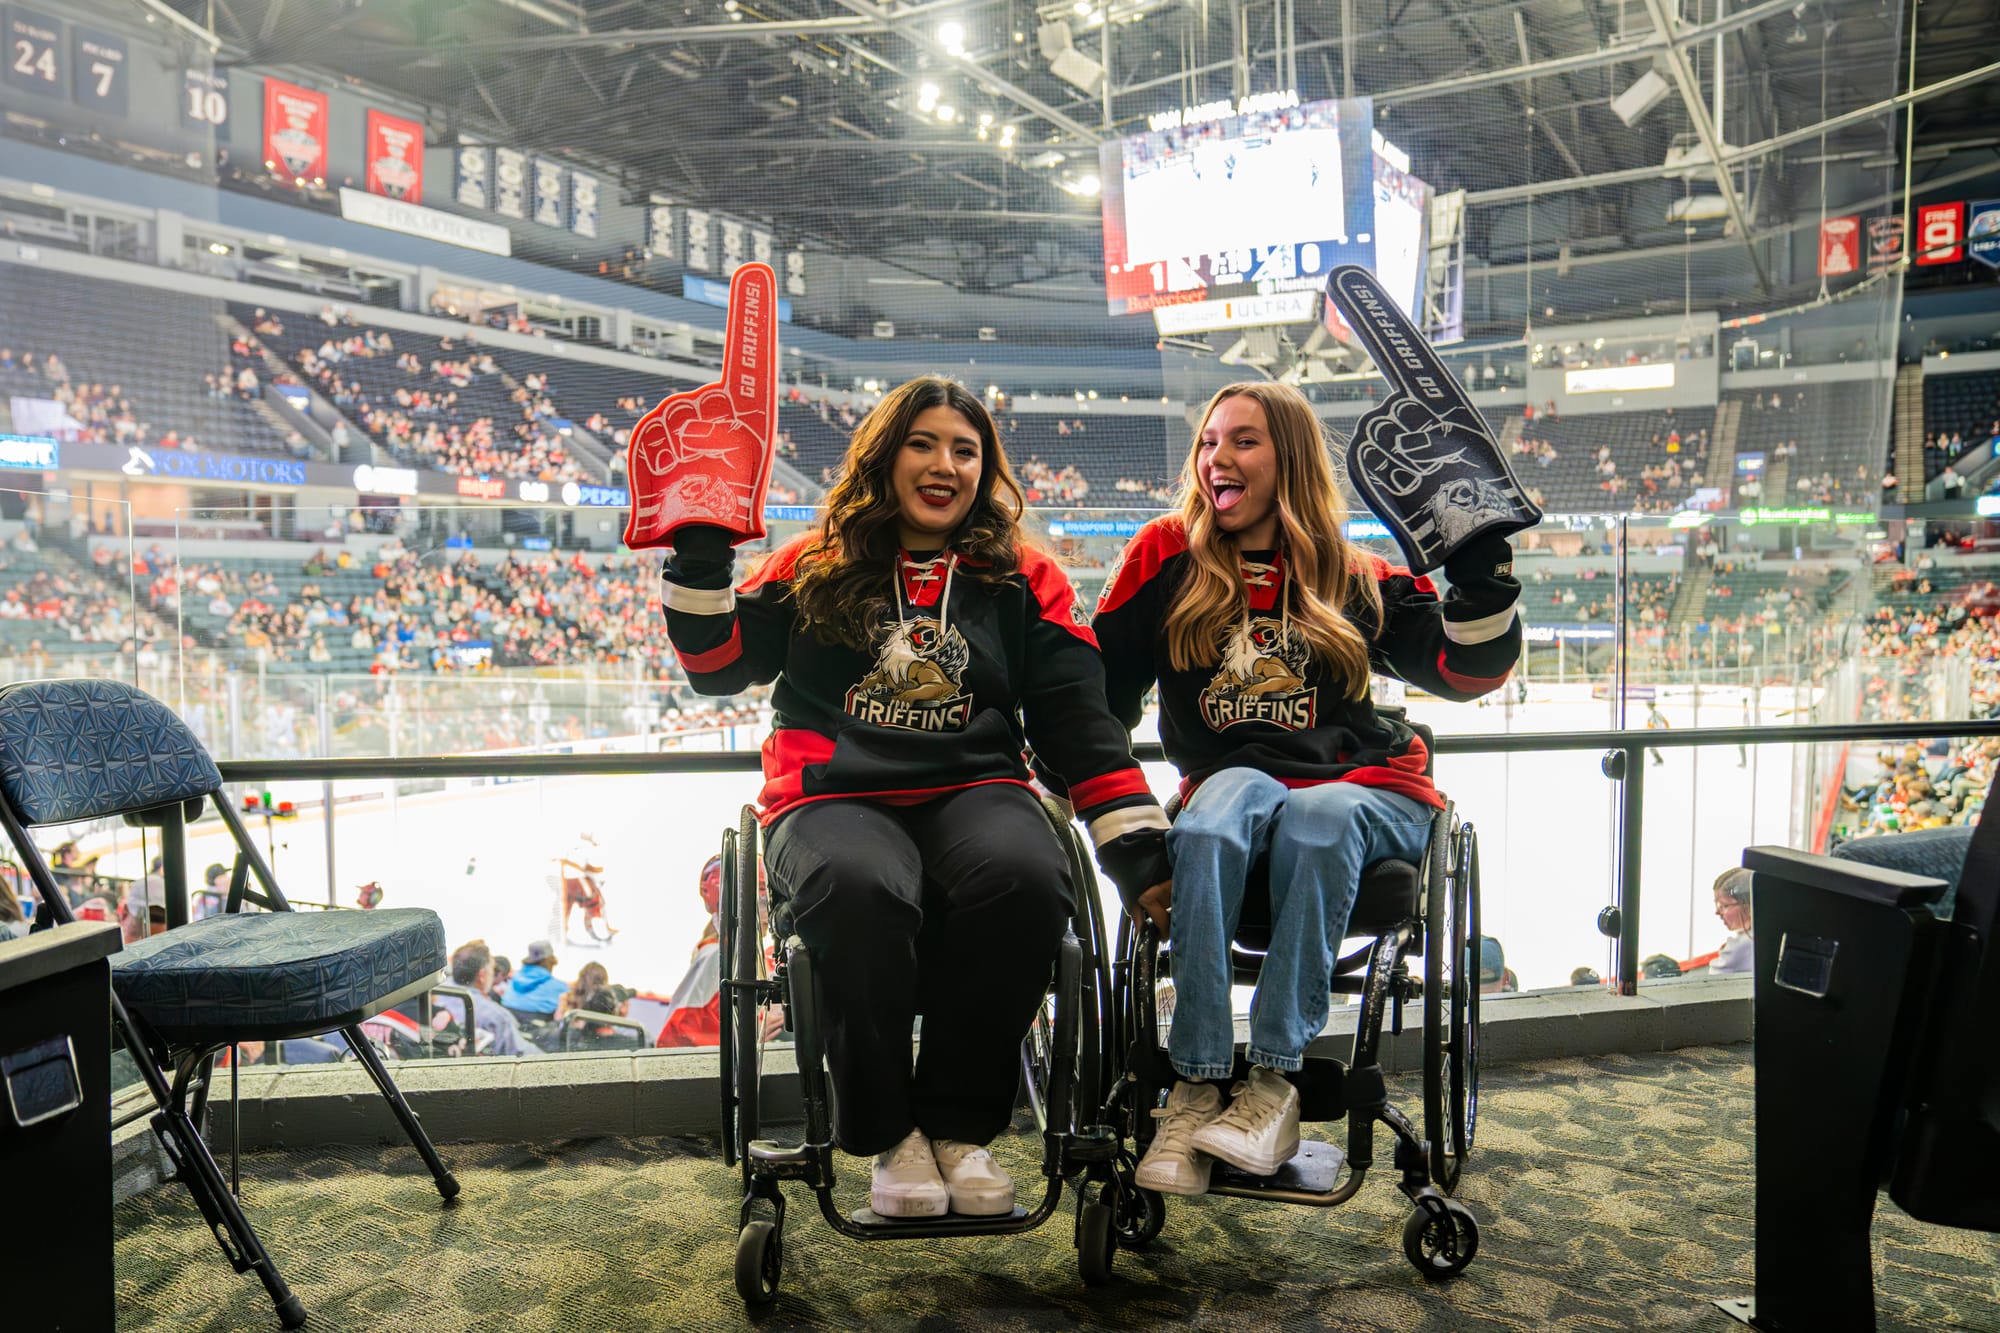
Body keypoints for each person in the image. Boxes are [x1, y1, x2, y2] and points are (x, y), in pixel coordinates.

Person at [659, 376, 1168, 1220]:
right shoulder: (815, 561)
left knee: (1026, 876)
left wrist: (1139, 855)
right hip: (829, 796)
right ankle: (888, 1132)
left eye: (965, 450)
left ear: (985, 468)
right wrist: (701, 553)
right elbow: (715, 668)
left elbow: (1081, 722)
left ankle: (959, 1127)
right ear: (886, 458)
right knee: (858, 887)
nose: (944, 464)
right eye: (923, 444)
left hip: (975, 787)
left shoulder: (1025, 578)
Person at [1090, 380, 1521, 1197]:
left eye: (1243, 440)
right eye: (1209, 441)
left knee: (1318, 815)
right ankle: (1198, 1084)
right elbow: (1092, 708)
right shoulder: (1162, 557)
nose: (1218, 457)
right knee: (1213, 817)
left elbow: (1468, 670)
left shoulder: (1349, 569)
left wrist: (1483, 573)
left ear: (1287, 456)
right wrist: (1131, 842)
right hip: (1236, 787)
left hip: (1367, 788)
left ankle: (1273, 1082)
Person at [657, 854, 784, 1049]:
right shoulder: (716, 957)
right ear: (733, 906)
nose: (768, 911)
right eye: (760, 901)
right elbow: (672, 1044)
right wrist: (749, 1036)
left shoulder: (759, 957)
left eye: (770, 902)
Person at [448, 939, 537, 1055]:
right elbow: (520, 1053)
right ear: (482, 975)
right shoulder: (495, 1016)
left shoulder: (435, 993)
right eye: (491, 969)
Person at [557, 833, 618, 939]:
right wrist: (599, 871)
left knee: (567, 908)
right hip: (577, 880)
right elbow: (585, 867)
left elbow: (583, 865)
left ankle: (565, 932)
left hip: (566, 881)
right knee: (595, 902)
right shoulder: (586, 847)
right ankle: (597, 929)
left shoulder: (575, 845)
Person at [501, 939, 569, 1017]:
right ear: (550, 962)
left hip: (507, 1019)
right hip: (538, 1026)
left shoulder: (514, 978)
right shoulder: (559, 987)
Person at [1644, 700, 1669, 767]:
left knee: (1651, 746)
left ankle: (1659, 760)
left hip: (1656, 732)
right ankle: (1659, 760)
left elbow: (1651, 725)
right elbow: (1665, 721)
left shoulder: (1652, 715)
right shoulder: (1657, 713)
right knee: (1651, 747)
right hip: (1659, 731)